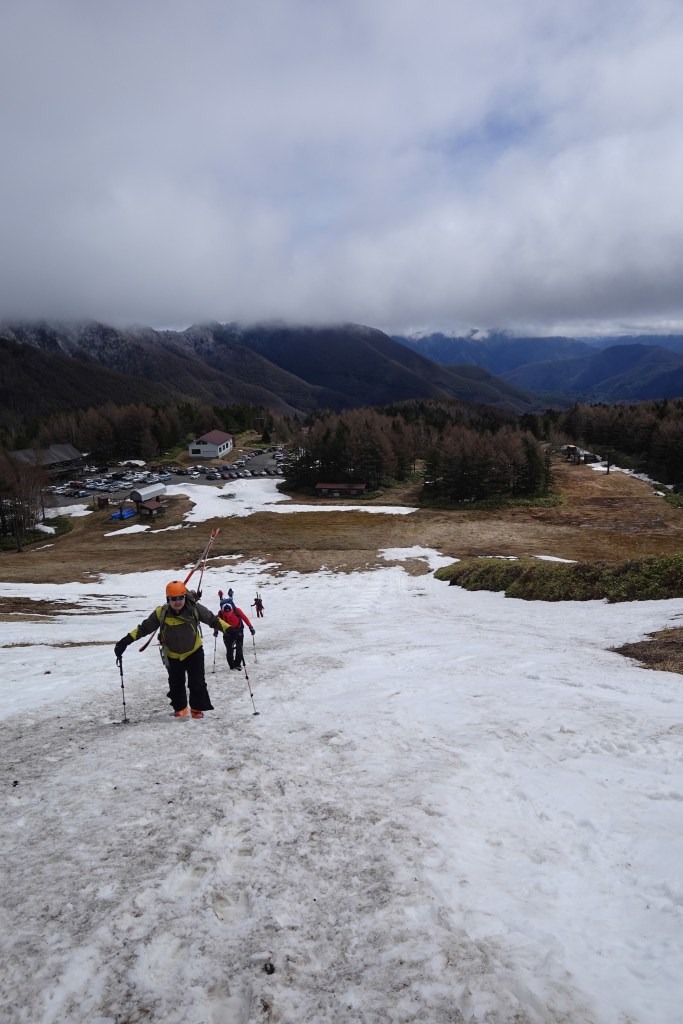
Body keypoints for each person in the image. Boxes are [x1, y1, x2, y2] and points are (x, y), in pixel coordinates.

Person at [114, 580, 229, 719]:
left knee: (197, 683)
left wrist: (230, 629)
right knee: (176, 684)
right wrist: (126, 641)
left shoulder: (194, 608)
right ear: (168, 599)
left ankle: (196, 710)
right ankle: (180, 709)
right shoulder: (161, 613)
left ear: (185, 596)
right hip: (172, 656)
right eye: (173, 599)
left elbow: (213, 620)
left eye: (180, 597)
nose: (178, 601)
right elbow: (144, 628)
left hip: (194, 651)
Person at [214, 596, 255, 670]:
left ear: (232, 609)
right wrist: (215, 631)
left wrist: (250, 627)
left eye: (229, 612)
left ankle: (237, 664)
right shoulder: (220, 614)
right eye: (226, 613)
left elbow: (244, 618)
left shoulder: (237, 610)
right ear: (223, 611)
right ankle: (232, 666)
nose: (228, 614)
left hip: (238, 630)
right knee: (229, 650)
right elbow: (216, 622)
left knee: (239, 648)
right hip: (227, 632)